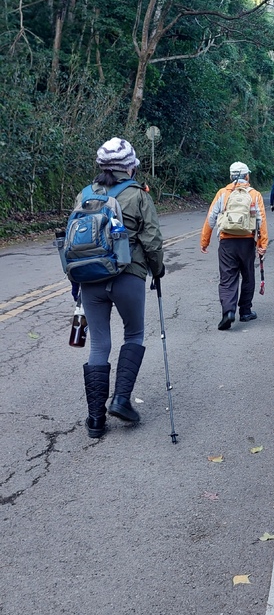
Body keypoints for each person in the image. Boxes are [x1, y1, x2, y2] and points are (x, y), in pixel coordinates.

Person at [75, 137, 164, 438]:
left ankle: (95, 420)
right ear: (129, 167)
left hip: (89, 278)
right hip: (128, 275)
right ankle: (121, 400)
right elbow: (152, 240)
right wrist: (157, 270)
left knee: (99, 345)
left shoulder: (84, 195)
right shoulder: (138, 195)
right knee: (134, 334)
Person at [200, 161, 268, 330]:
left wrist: (205, 241)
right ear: (247, 176)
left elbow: (211, 218)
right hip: (247, 241)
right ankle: (245, 311)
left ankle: (228, 312)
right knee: (248, 275)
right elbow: (261, 221)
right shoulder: (255, 195)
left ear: (231, 176)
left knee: (227, 278)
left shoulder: (223, 193)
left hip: (226, 242)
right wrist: (262, 244)